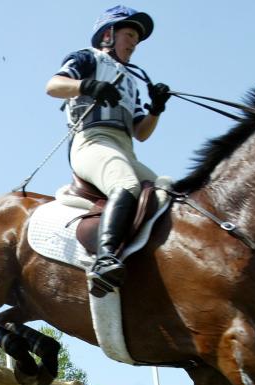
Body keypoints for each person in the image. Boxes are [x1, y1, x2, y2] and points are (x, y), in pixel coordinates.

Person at [45, 5, 171, 297]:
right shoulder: (88, 58)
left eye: (136, 41)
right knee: (125, 184)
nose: (133, 44)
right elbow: (52, 86)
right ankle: (104, 261)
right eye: (129, 35)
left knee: (168, 191)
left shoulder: (131, 82)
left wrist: (156, 108)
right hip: (92, 141)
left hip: (125, 149)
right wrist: (88, 85)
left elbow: (141, 133)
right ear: (107, 35)